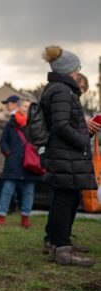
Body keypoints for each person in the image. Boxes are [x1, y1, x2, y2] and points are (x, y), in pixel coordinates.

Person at [40, 46, 96, 266]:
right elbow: (61, 125)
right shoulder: (62, 91)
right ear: (69, 69)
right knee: (65, 200)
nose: (77, 71)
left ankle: (58, 244)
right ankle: (62, 250)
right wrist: (83, 139)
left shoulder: (58, 89)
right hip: (66, 156)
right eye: (76, 68)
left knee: (65, 200)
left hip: (64, 156)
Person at [0, 103, 40, 226]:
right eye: (25, 106)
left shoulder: (35, 124)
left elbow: (40, 140)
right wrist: (8, 153)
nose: (27, 108)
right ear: (19, 108)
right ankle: (1, 216)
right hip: (13, 163)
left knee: (29, 192)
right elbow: (3, 141)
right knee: (7, 190)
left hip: (30, 164)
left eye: (29, 106)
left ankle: (25, 217)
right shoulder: (10, 124)